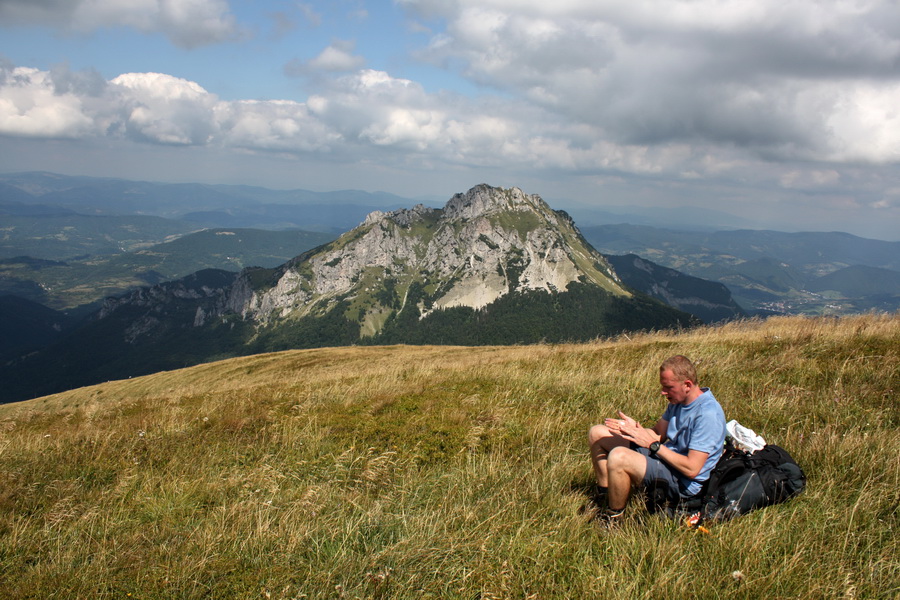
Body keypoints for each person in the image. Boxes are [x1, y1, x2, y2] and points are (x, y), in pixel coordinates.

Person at [587, 355, 725, 523]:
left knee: (619, 457)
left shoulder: (707, 415)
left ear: (687, 385)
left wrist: (654, 446)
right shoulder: (678, 401)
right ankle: (605, 495)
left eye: (668, 387)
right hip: (667, 460)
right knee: (597, 433)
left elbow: (692, 468)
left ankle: (613, 518)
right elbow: (658, 433)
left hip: (683, 482)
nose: (663, 392)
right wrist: (634, 430)